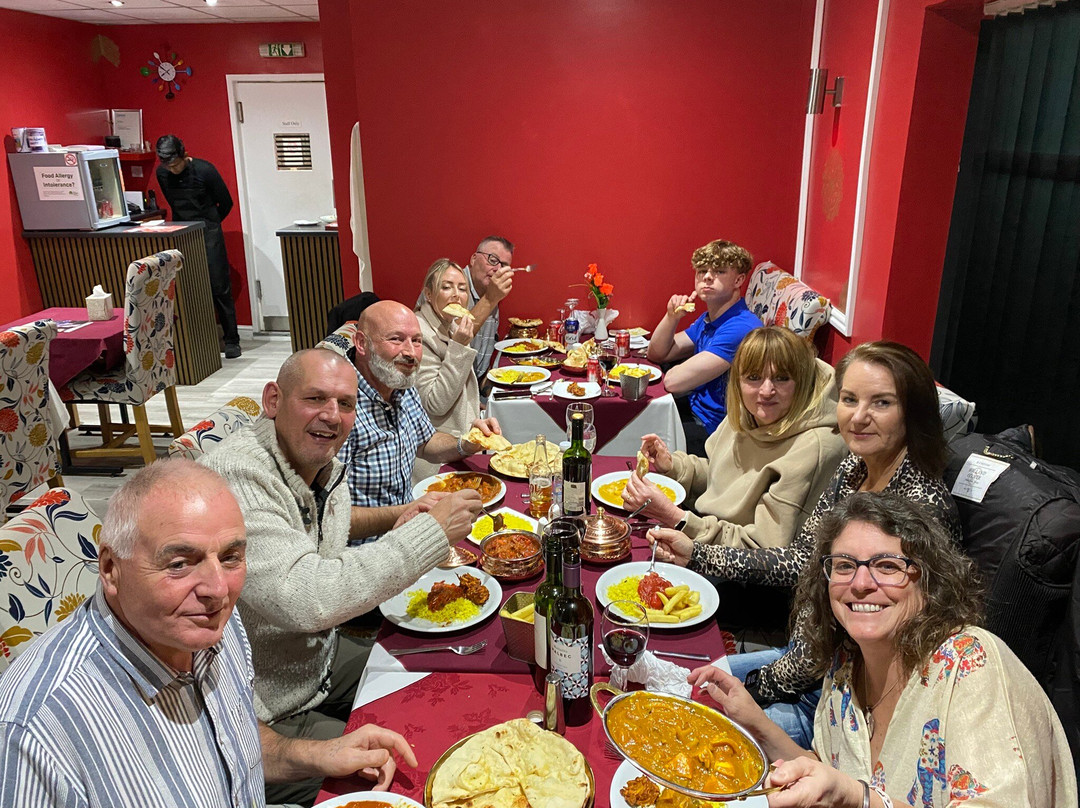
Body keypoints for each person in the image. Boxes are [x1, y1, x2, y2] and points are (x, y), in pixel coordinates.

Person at [0, 459, 419, 808]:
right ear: (111, 569)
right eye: (180, 563)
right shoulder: (34, 731)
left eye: (231, 556)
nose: (218, 590)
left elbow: (228, 745)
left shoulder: (214, 626)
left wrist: (316, 753)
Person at [200, 348, 480, 805]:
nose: (332, 416)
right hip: (266, 708)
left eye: (345, 404)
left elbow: (326, 525)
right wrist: (428, 534)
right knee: (407, 772)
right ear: (273, 400)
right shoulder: (239, 477)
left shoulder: (318, 459)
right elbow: (307, 598)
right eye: (315, 398)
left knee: (437, 674)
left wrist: (400, 517)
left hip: (319, 657)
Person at [649, 341, 961, 746]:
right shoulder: (855, 467)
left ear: (912, 411)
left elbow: (854, 639)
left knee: (690, 736)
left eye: (881, 403)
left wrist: (759, 686)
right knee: (667, 688)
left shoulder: (921, 507)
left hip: (846, 702)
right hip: (804, 660)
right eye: (849, 399)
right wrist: (698, 554)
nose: (858, 417)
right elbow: (801, 559)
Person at [689, 493, 1076, 807]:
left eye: (888, 566)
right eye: (844, 565)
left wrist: (860, 799)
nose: (860, 583)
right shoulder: (846, 663)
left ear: (929, 581)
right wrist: (754, 720)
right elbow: (832, 775)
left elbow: (852, 793)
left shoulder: (971, 663)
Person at [623, 326, 846, 551]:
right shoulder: (749, 411)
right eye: (754, 378)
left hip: (734, 563)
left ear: (803, 381)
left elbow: (765, 551)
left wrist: (675, 517)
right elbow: (719, 476)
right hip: (709, 534)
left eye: (781, 378)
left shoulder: (816, 447)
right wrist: (674, 467)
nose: (766, 390)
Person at [338, 300, 501, 541]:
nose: (411, 353)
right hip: (367, 551)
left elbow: (425, 443)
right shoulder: (336, 407)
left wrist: (466, 443)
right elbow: (329, 519)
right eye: (396, 339)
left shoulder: (400, 381)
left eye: (416, 341)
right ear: (361, 343)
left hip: (411, 533)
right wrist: (409, 511)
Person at [646, 238, 761, 455]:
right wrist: (672, 317)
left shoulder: (741, 327)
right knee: (637, 417)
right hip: (694, 409)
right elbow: (657, 353)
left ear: (739, 280)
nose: (707, 277)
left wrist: (676, 372)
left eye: (719, 271)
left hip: (715, 431)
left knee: (638, 435)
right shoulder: (709, 318)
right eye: (701, 271)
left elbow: (673, 382)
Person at [155, 134, 242, 359]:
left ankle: (232, 340)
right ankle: (198, 340)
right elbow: (172, 203)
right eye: (168, 166)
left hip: (209, 230)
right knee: (188, 285)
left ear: (184, 155)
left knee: (219, 286)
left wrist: (212, 223)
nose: (173, 170)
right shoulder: (162, 174)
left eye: (176, 164)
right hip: (181, 231)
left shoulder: (205, 170)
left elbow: (226, 202)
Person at [414, 258, 484, 480]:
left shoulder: (452, 324)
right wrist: (459, 347)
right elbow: (435, 403)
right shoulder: (419, 333)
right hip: (437, 458)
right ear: (428, 294)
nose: (456, 295)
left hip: (461, 446)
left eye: (462, 288)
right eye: (446, 287)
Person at [417, 236, 515, 379]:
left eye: (504, 266)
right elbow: (452, 340)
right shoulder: (445, 288)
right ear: (474, 259)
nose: (498, 270)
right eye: (493, 260)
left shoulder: (491, 291)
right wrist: (490, 299)